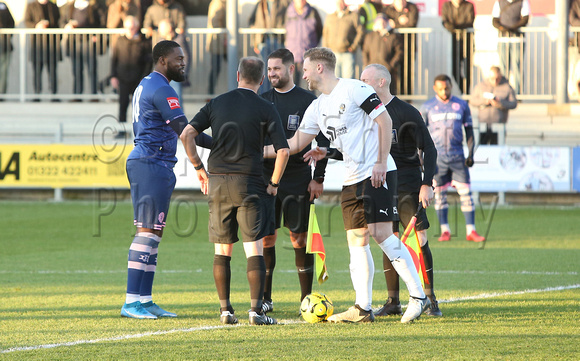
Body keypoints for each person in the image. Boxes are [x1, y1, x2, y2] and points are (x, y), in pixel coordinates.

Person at [266, 47, 429, 324]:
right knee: (357, 240)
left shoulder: (355, 89)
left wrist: (379, 162)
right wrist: (256, 151)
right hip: (351, 178)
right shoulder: (317, 106)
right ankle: (362, 308)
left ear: (319, 68)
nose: (303, 74)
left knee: (382, 235)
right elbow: (294, 144)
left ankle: (418, 297)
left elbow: (384, 120)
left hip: (377, 172)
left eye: (305, 68)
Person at [180, 57, 290, 326]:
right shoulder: (266, 107)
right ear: (262, 79)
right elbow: (283, 150)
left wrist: (198, 168)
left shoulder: (217, 103)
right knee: (254, 248)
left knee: (222, 249)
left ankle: (225, 311)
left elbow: (186, 134)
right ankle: (256, 312)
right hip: (249, 182)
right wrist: (274, 183)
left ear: (237, 75)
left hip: (217, 181)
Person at [121, 40, 211, 319]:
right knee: (147, 232)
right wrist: (218, 147)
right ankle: (130, 302)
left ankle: (145, 300)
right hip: (151, 163)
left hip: (152, 162)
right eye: (178, 58)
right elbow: (185, 130)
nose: (183, 63)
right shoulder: (162, 88)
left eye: (184, 58)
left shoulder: (147, 84)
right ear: (162, 60)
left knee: (154, 234)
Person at [359, 64, 442, 317]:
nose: (361, 83)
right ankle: (393, 301)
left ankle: (430, 300)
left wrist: (426, 183)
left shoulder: (406, 112)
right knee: (387, 239)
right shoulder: (364, 112)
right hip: (380, 183)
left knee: (420, 240)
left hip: (407, 183)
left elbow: (429, 148)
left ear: (381, 82)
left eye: (365, 79)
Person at [259, 48, 330, 312]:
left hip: (298, 180)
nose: (271, 74)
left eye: (276, 68)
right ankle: (265, 298)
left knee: (299, 239)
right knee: (266, 238)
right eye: (268, 69)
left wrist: (318, 177)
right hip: (267, 180)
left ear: (291, 69)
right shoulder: (262, 100)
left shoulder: (308, 100)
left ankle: (306, 299)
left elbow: (323, 141)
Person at [421, 74, 485, 243]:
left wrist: (471, 154)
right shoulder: (427, 107)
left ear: (451, 87)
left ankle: (471, 230)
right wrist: (421, 157)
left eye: (447, 88)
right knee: (440, 195)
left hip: (458, 157)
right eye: (440, 88)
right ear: (435, 89)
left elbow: (469, 131)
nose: (444, 91)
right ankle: (445, 230)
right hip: (438, 159)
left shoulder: (462, 105)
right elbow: (420, 135)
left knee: (466, 194)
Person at [110, 16, 152, 137]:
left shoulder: (143, 41)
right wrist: (113, 76)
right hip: (123, 79)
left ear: (137, 27)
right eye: (127, 27)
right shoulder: (120, 41)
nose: (130, 30)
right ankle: (122, 131)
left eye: (132, 27)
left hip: (138, 80)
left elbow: (148, 63)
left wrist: (144, 78)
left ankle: (139, 132)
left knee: (139, 108)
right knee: (122, 106)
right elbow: (114, 59)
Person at [61, 0, 107, 98]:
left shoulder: (93, 7)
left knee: (92, 69)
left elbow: (101, 22)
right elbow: (62, 21)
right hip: (75, 43)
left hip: (89, 43)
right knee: (77, 70)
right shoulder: (70, 7)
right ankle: (77, 95)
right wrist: (67, 26)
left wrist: (96, 35)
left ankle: (94, 95)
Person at [249, 0, 290, 93]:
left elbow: (288, 20)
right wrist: (255, 42)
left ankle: (277, 94)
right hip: (263, 41)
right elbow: (251, 21)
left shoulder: (283, 3)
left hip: (278, 40)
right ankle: (264, 96)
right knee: (264, 69)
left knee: (277, 69)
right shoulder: (260, 4)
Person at [470, 66, 517, 145]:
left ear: (501, 76)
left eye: (497, 79)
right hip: (483, 124)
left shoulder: (507, 87)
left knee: (496, 149)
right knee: (481, 149)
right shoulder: (481, 86)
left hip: (498, 124)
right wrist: (485, 101)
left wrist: (500, 104)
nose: (495, 81)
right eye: (492, 79)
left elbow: (513, 103)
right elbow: (472, 101)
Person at [24, 0, 61, 99]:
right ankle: (37, 94)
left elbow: (59, 22)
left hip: (51, 45)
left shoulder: (53, 6)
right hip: (38, 45)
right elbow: (27, 21)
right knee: (37, 71)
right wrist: (36, 26)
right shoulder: (31, 6)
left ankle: (54, 94)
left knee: (52, 71)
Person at [492, 0, 530, 95]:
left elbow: (525, 19)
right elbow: (495, 20)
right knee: (504, 68)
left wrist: (512, 28)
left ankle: (518, 93)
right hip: (503, 40)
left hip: (517, 40)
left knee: (517, 67)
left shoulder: (523, 2)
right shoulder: (499, 2)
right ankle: (505, 92)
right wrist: (503, 28)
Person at [284, 0, 322, 88]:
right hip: (292, 55)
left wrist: (313, 45)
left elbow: (319, 30)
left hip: (308, 55)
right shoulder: (288, 12)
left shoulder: (313, 12)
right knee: (292, 86)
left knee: (310, 86)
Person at [322, 0, 364, 80]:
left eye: (341, 2)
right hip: (333, 54)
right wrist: (326, 50)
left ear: (344, 3)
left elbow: (360, 32)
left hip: (347, 53)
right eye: (337, 3)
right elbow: (325, 34)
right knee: (335, 80)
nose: (339, 5)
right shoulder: (330, 17)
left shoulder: (353, 15)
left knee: (348, 80)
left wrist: (353, 47)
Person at [361, 14, 403, 95]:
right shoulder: (370, 36)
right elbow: (365, 51)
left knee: (388, 93)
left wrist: (391, 65)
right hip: (372, 70)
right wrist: (367, 65)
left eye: (383, 22)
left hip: (387, 70)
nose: (381, 24)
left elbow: (399, 52)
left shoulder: (393, 36)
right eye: (379, 22)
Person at [384, 0, 419, 95]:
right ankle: (393, 95)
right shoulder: (388, 9)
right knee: (392, 71)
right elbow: (387, 24)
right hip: (393, 47)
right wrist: (400, 20)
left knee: (407, 72)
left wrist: (395, 24)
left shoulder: (412, 8)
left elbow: (412, 23)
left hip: (408, 46)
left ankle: (407, 97)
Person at [441, 0, 475, 95]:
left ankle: (466, 92)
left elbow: (469, 21)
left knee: (467, 68)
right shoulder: (446, 6)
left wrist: (454, 27)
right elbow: (445, 22)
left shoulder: (469, 5)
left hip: (467, 40)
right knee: (455, 69)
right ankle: (463, 91)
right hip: (454, 40)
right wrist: (454, 28)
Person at [157, 19, 190, 102]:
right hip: (164, 76)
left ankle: (179, 115)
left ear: (168, 29)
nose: (159, 31)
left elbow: (186, 57)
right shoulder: (161, 40)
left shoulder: (180, 39)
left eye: (161, 29)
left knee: (176, 100)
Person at [206, 0, 226, 95]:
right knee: (215, 69)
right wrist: (224, 38)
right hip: (218, 43)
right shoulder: (218, 4)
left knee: (237, 66)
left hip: (220, 43)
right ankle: (210, 93)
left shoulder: (220, 3)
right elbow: (215, 22)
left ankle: (210, 92)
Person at [0, 1, 14, 97]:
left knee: (4, 71)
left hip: (4, 45)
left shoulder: (3, 5)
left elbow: (11, 23)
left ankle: (1, 94)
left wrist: (8, 36)